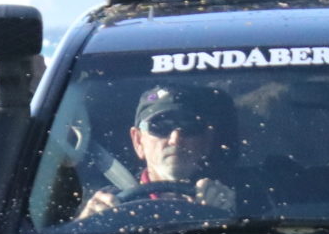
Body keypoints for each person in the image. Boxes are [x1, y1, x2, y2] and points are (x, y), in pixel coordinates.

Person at [77, 85, 240, 217]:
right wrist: (87, 226)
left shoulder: (243, 196)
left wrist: (231, 216)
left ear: (207, 141)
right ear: (138, 140)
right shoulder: (105, 204)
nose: (175, 139)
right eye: (160, 127)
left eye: (190, 127)